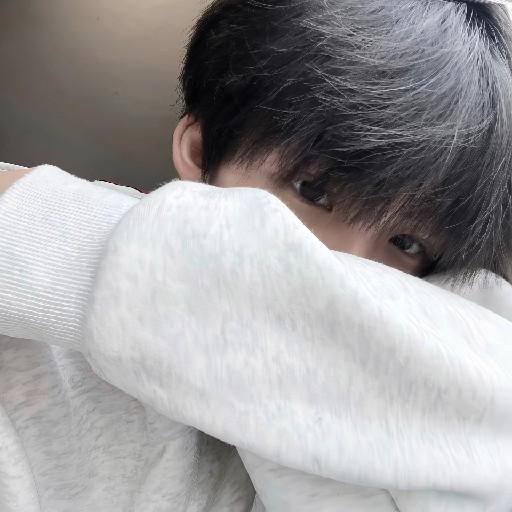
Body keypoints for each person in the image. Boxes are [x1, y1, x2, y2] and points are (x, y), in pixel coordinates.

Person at [1, 0, 512, 510]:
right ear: (200, 152)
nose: (350, 266)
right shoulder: (36, 364)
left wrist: (44, 220)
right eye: (312, 192)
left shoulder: (458, 349)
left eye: (406, 244)